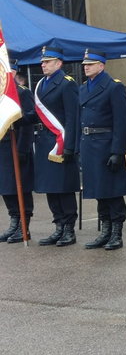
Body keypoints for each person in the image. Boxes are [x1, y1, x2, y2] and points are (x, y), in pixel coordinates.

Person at [79, 49, 126, 251]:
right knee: (99, 191)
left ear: (101, 65)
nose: (86, 67)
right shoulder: (83, 88)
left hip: (106, 144)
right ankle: (105, 230)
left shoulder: (113, 87)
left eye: (90, 64)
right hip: (89, 144)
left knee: (112, 191)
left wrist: (117, 151)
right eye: (85, 64)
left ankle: (116, 233)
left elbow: (121, 121)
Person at [30, 46, 81, 245]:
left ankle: (69, 228)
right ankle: (58, 226)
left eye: (47, 61)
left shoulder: (67, 84)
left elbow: (72, 117)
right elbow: (37, 113)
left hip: (60, 143)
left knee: (63, 188)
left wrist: (69, 146)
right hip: (44, 143)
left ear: (59, 63)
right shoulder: (41, 84)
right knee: (50, 188)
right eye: (43, 62)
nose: (43, 64)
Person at [0, 74, 36, 243]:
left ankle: (24, 224)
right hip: (2, 148)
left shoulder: (21, 92)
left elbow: (28, 123)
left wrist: (22, 149)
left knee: (20, 187)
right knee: (6, 188)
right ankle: (14, 221)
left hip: (15, 147)